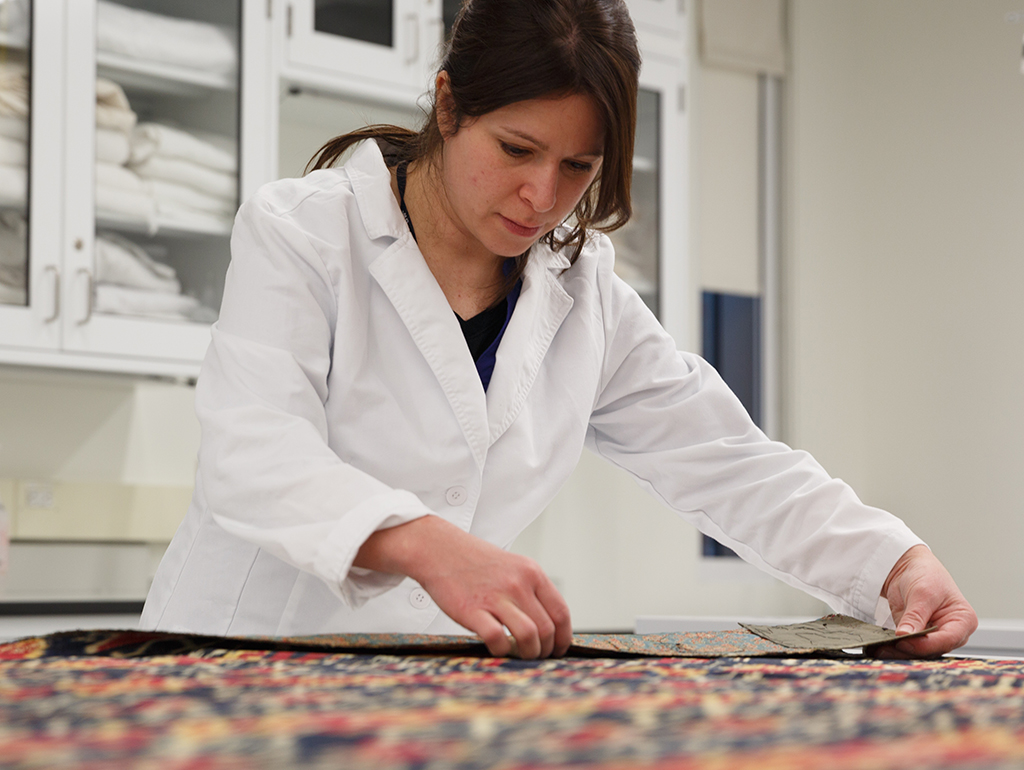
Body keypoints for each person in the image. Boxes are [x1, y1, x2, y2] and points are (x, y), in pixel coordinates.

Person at [140, 0, 977, 660]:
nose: (542, 196)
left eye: (578, 167)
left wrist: (891, 564)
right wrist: (428, 544)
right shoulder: (306, 233)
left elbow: (725, 460)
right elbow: (255, 452)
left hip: (412, 685)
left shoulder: (583, 293)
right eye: (515, 149)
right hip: (232, 657)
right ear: (448, 104)